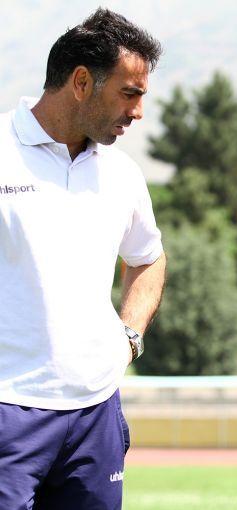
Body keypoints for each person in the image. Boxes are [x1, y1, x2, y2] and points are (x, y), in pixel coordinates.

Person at [0, 8, 165, 508]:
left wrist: (130, 336)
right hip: (9, 409)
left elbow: (148, 258)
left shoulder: (122, 172)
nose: (138, 112)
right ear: (80, 82)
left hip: (96, 414)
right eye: (129, 93)